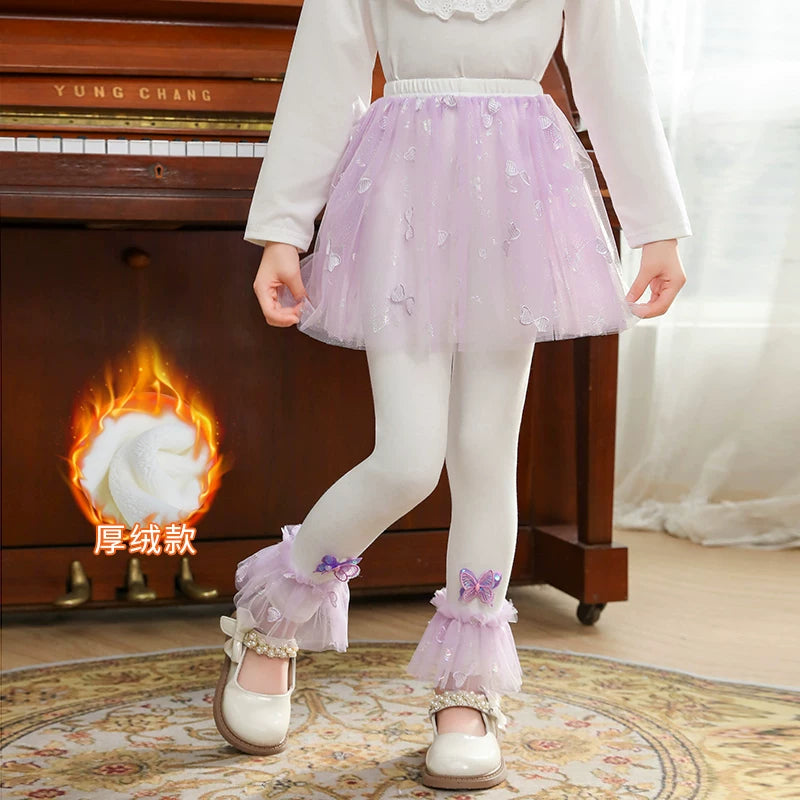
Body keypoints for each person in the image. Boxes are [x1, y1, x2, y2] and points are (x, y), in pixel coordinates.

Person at [212, 0, 692, 789]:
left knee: (483, 454)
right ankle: (273, 617)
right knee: (406, 459)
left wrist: (655, 225)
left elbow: (613, 74)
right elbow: (324, 73)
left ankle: (467, 692)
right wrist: (283, 230)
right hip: (401, 192)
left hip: (519, 195)